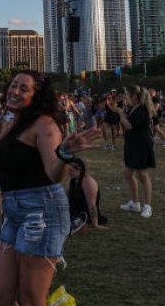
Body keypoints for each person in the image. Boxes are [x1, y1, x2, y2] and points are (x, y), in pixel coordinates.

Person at [0, 71, 100, 306]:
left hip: (42, 211)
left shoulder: (45, 125)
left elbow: (52, 174)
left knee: (33, 304)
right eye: (13, 85)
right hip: (14, 212)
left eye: (24, 88)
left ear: (36, 96)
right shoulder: (10, 125)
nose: (15, 91)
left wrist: (64, 153)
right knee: (1, 298)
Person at [114, 85, 156, 218]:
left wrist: (121, 114)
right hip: (132, 143)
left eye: (129, 95)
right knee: (128, 173)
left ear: (136, 97)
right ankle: (135, 203)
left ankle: (147, 206)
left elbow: (129, 125)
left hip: (141, 144)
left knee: (143, 175)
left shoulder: (143, 109)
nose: (127, 97)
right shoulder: (134, 108)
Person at [65, 157, 107, 234]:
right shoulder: (72, 179)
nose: (68, 173)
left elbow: (92, 205)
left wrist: (96, 224)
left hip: (85, 216)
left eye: (71, 170)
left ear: (80, 170)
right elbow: (65, 197)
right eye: (68, 170)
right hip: (73, 211)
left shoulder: (88, 182)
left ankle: (76, 224)